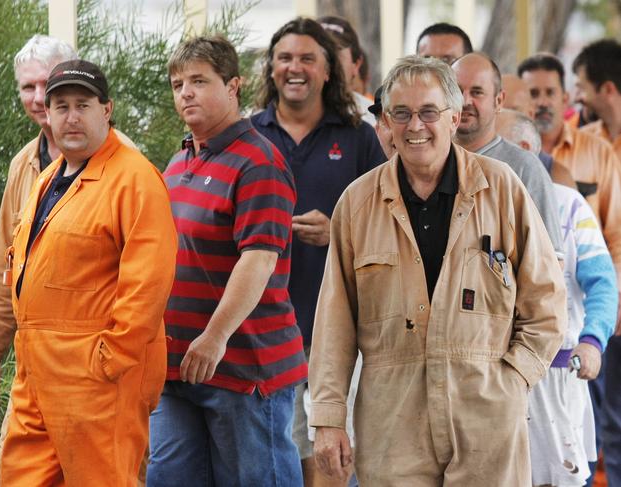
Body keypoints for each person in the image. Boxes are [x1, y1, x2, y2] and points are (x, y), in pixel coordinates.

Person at [308, 54, 566, 486]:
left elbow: (547, 301)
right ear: (386, 123)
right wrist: (329, 419)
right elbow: (334, 324)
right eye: (401, 114)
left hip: (486, 418)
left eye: (429, 112)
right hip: (392, 421)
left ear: (454, 118)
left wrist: (512, 379)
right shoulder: (356, 204)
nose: (415, 126)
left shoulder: (502, 188)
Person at [0, 59, 177, 486]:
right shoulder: (46, 180)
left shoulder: (135, 179)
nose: (71, 117)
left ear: (107, 109)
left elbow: (147, 285)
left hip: (98, 382)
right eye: (61, 107)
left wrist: (108, 362)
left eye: (83, 104)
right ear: (48, 113)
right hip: (36, 378)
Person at [146, 36, 306, 487]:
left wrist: (214, 337)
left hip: (242, 369)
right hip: (177, 368)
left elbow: (258, 261)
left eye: (199, 80)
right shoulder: (177, 164)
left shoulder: (259, 161)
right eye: (178, 84)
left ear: (234, 86)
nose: (186, 93)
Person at [251, 17, 385, 486]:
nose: (295, 68)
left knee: (333, 467)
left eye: (308, 58)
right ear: (270, 69)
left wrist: (337, 234)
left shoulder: (358, 137)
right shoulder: (249, 136)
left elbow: (392, 229)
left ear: (329, 71)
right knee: (278, 465)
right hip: (263, 335)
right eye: (285, 58)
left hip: (339, 334)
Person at [498, 109, 617, 487]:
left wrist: (592, 340)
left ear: (523, 151)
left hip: (556, 377)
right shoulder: (478, 198)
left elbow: (602, 282)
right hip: (491, 381)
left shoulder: (569, 205)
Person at [518, 53, 621, 281]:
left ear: (565, 99)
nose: (542, 102)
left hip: (586, 286)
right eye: (533, 94)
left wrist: (615, 295)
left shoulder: (597, 151)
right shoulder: (508, 154)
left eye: (550, 93)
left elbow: (616, 233)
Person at [451, 52, 563, 258]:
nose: (465, 101)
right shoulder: (430, 162)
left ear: (499, 100)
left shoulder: (524, 167)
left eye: (477, 92)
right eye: (457, 91)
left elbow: (551, 263)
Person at [572, 39, 621, 487]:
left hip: (608, 303)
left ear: (606, 88)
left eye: (581, 87)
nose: (576, 97)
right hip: (606, 314)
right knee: (611, 427)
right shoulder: (588, 143)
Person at [318, 15, 375, 124]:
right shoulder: (284, 118)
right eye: (319, 53)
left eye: (335, 54)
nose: (326, 63)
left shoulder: (375, 122)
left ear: (356, 64)